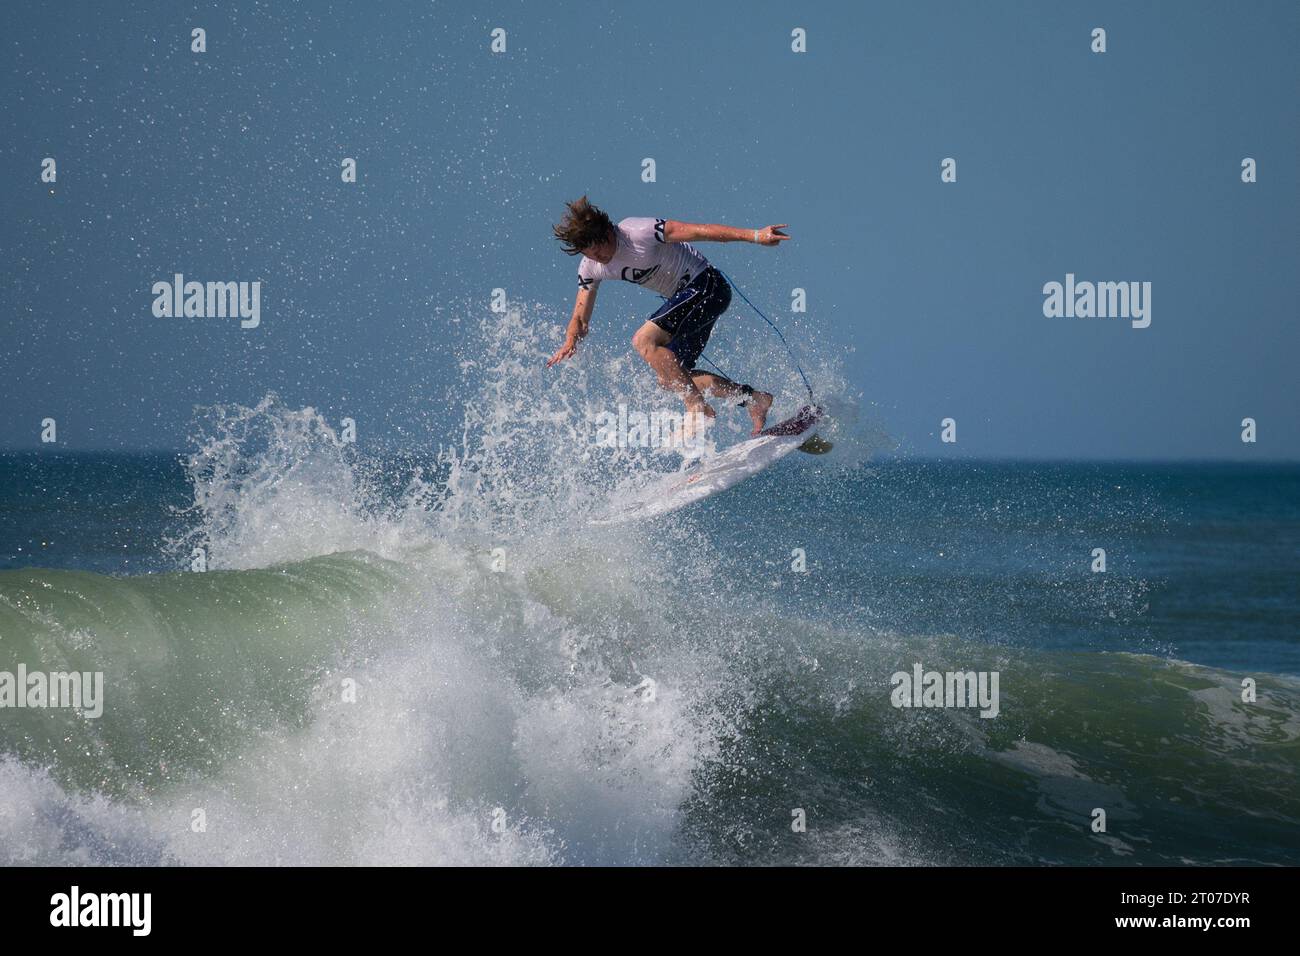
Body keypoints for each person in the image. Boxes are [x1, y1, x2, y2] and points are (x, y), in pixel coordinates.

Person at [547, 196, 790, 436]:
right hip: (689, 300)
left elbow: (700, 231)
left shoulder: (637, 232)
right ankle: (754, 399)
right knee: (671, 377)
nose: (599, 258)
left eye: (600, 249)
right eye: (590, 254)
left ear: (608, 231)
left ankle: (696, 408)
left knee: (644, 340)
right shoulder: (590, 267)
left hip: (707, 285)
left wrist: (755, 235)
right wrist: (570, 340)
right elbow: (580, 318)